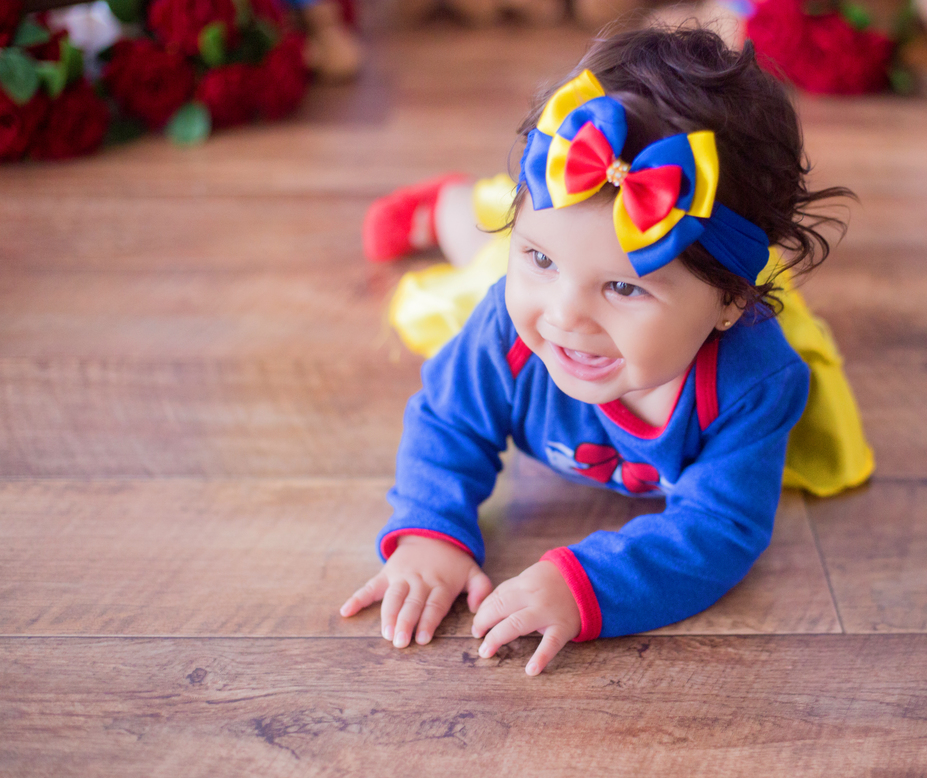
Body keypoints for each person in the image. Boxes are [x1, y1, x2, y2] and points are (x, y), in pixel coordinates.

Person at [340, 27, 873, 676]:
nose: (564, 316)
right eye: (539, 257)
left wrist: (586, 586)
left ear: (730, 303)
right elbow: (447, 419)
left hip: (700, 285)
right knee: (478, 258)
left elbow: (719, 528)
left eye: (623, 287)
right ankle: (447, 205)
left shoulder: (755, 384)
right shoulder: (510, 327)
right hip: (512, 268)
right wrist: (430, 529)